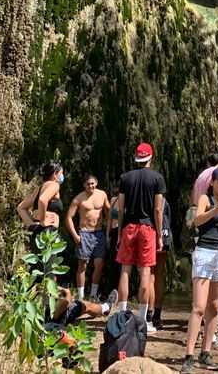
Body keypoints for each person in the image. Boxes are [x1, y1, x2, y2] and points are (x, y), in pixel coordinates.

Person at [182, 167, 218, 373]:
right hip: (204, 253)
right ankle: (188, 355)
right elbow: (197, 221)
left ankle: (205, 353)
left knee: (214, 308)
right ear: (212, 183)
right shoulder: (206, 199)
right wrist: (217, 210)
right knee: (198, 307)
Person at [116, 141, 166, 333]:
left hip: (129, 227)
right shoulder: (157, 179)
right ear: (150, 157)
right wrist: (160, 235)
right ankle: (143, 320)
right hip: (147, 228)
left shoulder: (125, 178)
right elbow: (158, 209)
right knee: (145, 272)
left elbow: (121, 208)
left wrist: (120, 230)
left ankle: (121, 315)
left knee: (125, 271)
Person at [66, 172, 110, 300]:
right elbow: (68, 217)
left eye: (92, 183)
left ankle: (93, 294)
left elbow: (109, 211)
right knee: (82, 264)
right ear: (84, 185)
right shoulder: (79, 198)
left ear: (96, 183)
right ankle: (80, 296)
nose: (91, 186)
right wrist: (75, 235)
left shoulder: (102, 195)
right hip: (84, 233)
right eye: (88, 184)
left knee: (99, 263)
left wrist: (108, 230)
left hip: (99, 233)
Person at [17, 161, 65, 248]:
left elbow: (21, 207)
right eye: (61, 173)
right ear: (55, 174)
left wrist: (31, 224)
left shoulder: (39, 188)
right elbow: (43, 200)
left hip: (38, 231)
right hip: (48, 233)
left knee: (38, 260)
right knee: (48, 261)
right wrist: (43, 221)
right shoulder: (55, 185)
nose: (62, 176)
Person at [149, 195, 172, 330]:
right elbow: (168, 220)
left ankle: (149, 314)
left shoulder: (144, 198)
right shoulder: (164, 200)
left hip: (148, 235)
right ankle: (157, 315)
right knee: (159, 275)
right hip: (163, 235)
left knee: (149, 275)